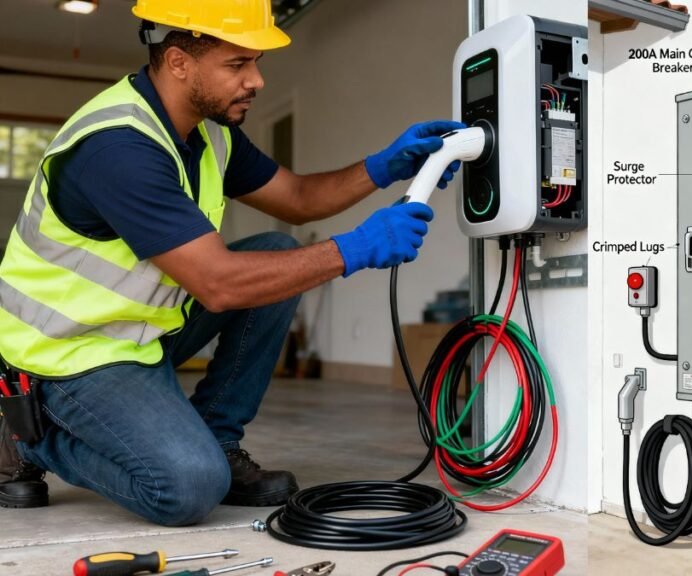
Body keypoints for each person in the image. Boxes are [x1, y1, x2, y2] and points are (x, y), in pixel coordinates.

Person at [0, 0, 463, 526]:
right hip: (68, 355)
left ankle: (220, 439)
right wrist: (352, 249)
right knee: (187, 488)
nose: (257, 80)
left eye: (256, 62)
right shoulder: (117, 148)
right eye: (238, 64)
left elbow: (298, 198)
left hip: (140, 333)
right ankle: (27, 439)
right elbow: (219, 285)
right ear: (178, 61)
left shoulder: (207, 132)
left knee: (277, 254)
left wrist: (383, 167)